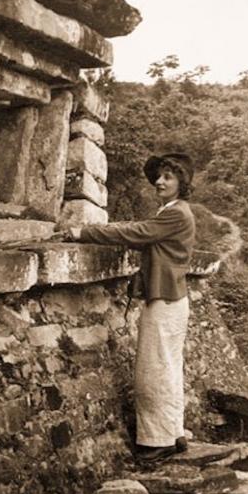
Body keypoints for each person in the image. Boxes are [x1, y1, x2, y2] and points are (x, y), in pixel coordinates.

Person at [63, 152, 196, 462]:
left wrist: (85, 232)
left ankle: (157, 442)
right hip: (173, 298)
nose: (160, 182)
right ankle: (173, 432)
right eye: (159, 176)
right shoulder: (176, 211)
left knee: (152, 369)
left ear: (182, 183)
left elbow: (136, 233)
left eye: (169, 177)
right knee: (169, 368)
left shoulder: (175, 214)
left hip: (165, 301)